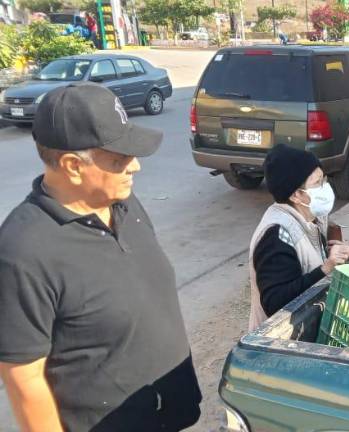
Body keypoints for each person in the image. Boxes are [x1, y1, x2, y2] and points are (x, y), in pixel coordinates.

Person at [0, 83, 201, 431]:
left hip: (167, 412)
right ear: (72, 166)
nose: (135, 166)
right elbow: (24, 378)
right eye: (120, 159)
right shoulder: (24, 252)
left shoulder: (122, 204)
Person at [249, 144, 349, 330]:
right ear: (296, 195)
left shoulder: (312, 217)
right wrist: (326, 268)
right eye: (317, 183)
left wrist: (329, 252)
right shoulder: (276, 236)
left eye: (324, 179)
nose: (325, 188)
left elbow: (304, 261)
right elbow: (276, 302)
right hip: (280, 340)